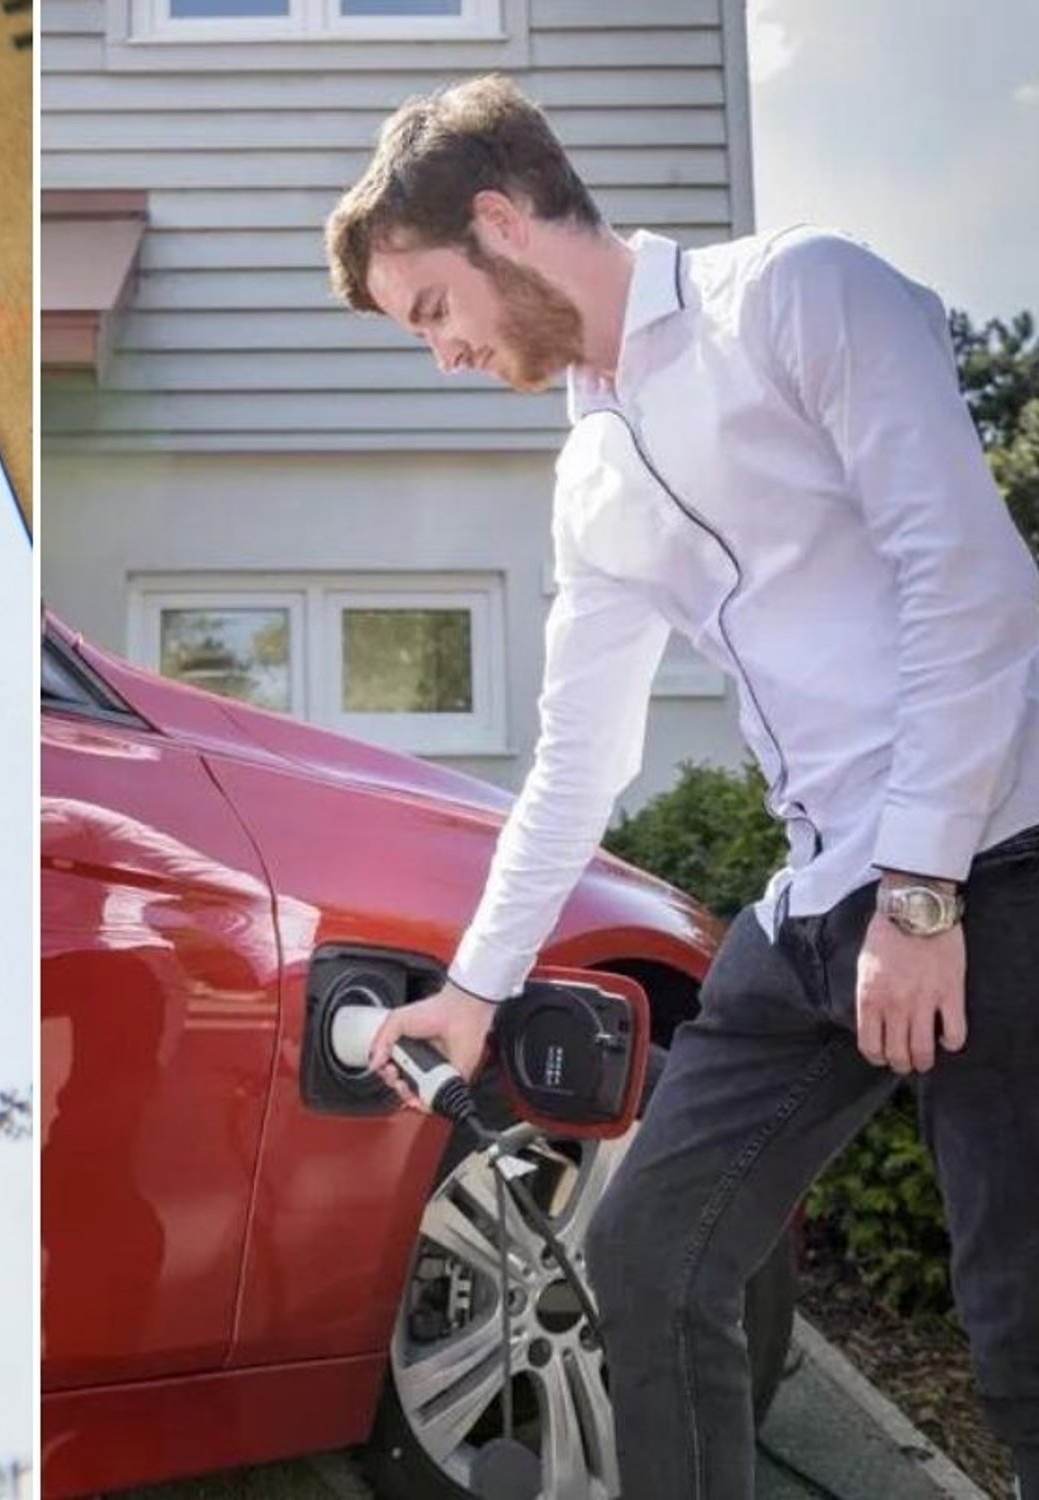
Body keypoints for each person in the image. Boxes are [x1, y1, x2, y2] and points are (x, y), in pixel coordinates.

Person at [324, 72, 1039, 1500]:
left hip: (996, 858)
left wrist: (923, 888)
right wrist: (473, 991)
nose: (443, 353)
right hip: (825, 899)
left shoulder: (798, 298)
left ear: (501, 222)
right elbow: (578, 758)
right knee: (648, 1257)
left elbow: (972, 581)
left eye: (433, 313)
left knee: (1021, 1335)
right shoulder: (591, 470)